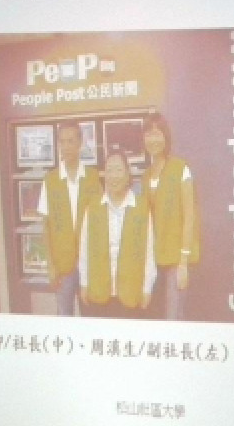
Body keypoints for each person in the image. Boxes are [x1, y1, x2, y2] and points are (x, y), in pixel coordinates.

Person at [78, 151, 156, 318]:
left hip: (131, 293)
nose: (114, 176)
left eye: (119, 170)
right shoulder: (93, 207)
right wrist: (84, 283)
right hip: (99, 291)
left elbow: (149, 251)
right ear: (104, 175)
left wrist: (147, 288)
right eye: (109, 170)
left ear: (128, 174)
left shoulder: (141, 207)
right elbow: (84, 248)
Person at [38, 120, 101, 316]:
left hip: (89, 264)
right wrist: (50, 266)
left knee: (91, 315)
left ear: (80, 143)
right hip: (62, 266)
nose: (66, 147)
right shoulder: (50, 180)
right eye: (62, 142)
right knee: (64, 316)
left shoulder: (93, 177)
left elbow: (101, 221)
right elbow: (46, 226)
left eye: (71, 141)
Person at [142, 113, 200, 320]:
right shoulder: (146, 175)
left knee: (173, 317)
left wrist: (183, 262)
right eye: (149, 134)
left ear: (165, 136)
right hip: (154, 259)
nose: (153, 139)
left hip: (176, 259)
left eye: (157, 134)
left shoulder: (180, 169)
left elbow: (190, 217)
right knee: (158, 317)